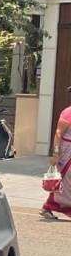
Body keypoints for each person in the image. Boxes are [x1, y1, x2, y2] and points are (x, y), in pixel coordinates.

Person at [41, 86, 71, 219]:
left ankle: (48, 207)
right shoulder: (68, 112)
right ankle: (49, 206)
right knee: (65, 182)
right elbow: (58, 133)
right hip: (67, 152)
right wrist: (56, 153)